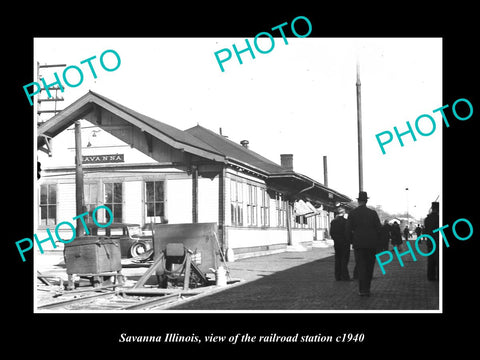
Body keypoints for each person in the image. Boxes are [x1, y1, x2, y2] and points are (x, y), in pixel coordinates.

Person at [345, 191, 381, 296]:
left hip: (358, 245)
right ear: (366, 201)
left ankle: (362, 290)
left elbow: (347, 230)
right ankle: (367, 289)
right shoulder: (373, 213)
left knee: (361, 266)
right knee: (369, 266)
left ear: (358, 201)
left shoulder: (352, 213)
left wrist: (352, 241)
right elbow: (379, 229)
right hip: (371, 245)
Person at [330, 208, 350, 281]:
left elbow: (331, 233)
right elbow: (348, 233)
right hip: (345, 243)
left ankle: (337, 276)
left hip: (337, 243)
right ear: (344, 213)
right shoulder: (346, 222)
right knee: (344, 259)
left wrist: (336, 239)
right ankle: (345, 276)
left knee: (338, 259)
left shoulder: (333, 222)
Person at [424, 202, 439, 281]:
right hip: (438, 241)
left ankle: (430, 276)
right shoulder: (439, 218)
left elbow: (426, 230)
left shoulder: (427, 219)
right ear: (438, 209)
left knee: (430, 259)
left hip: (430, 241)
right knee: (438, 259)